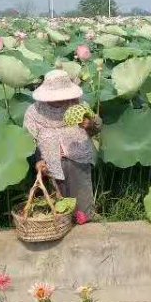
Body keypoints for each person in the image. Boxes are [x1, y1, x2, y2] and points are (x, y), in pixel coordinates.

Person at [23, 69, 101, 220]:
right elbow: (28, 140)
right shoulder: (33, 112)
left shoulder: (80, 106)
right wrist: (37, 160)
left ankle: (85, 232)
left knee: (83, 211)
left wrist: (90, 124)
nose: (59, 100)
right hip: (49, 166)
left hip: (77, 161)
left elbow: (96, 129)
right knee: (57, 210)